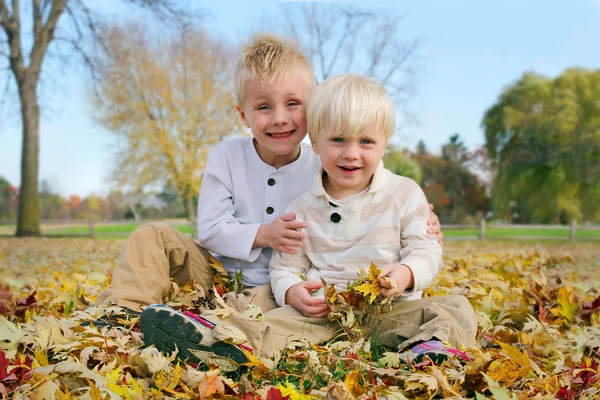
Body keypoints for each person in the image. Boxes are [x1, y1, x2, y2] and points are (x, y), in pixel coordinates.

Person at [139, 74, 477, 369]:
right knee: (271, 323)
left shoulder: (404, 194)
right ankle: (218, 345)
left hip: (388, 311)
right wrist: (292, 291)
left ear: (384, 143)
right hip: (322, 314)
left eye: (366, 142)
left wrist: (406, 274)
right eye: (338, 140)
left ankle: (429, 347)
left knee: (455, 307)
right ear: (314, 142)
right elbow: (285, 266)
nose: (351, 153)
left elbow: (425, 249)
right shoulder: (302, 206)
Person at [93, 34, 442, 315]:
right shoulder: (226, 157)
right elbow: (211, 230)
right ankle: (121, 311)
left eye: (293, 104)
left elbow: (369, 194)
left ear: (314, 109)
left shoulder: (326, 163)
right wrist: (264, 234)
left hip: (281, 287)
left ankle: (205, 325)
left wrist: (416, 220)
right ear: (243, 115)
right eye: (263, 106)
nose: (279, 118)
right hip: (213, 270)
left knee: (252, 314)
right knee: (153, 235)